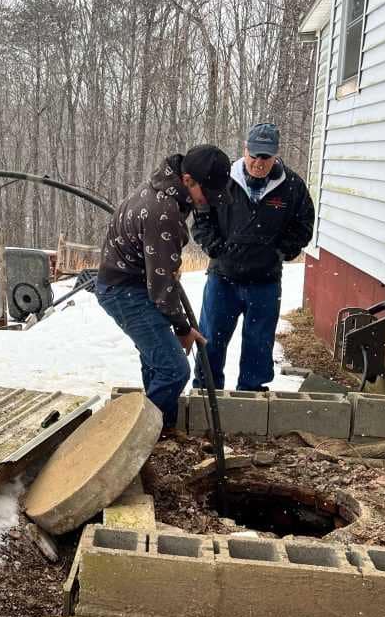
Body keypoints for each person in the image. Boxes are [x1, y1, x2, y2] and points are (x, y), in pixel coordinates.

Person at [96, 145, 231, 427]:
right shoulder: (163, 212)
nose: (208, 201)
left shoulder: (164, 188)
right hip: (124, 291)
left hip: (132, 283)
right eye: (207, 193)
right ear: (188, 180)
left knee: (157, 362)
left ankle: (162, 428)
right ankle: (141, 434)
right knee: (173, 370)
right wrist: (182, 328)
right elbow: (161, 286)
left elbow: (159, 276)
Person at [191, 123, 315, 391]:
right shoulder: (223, 179)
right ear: (245, 149)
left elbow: (304, 224)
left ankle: (252, 398)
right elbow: (201, 217)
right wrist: (216, 248)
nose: (259, 163)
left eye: (266, 157)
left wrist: (281, 251)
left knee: (259, 346)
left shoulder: (292, 186)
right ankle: (205, 394)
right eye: (254, 155)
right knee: (210, 341)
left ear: (276, 154)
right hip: (222, 280)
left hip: (265, 282)